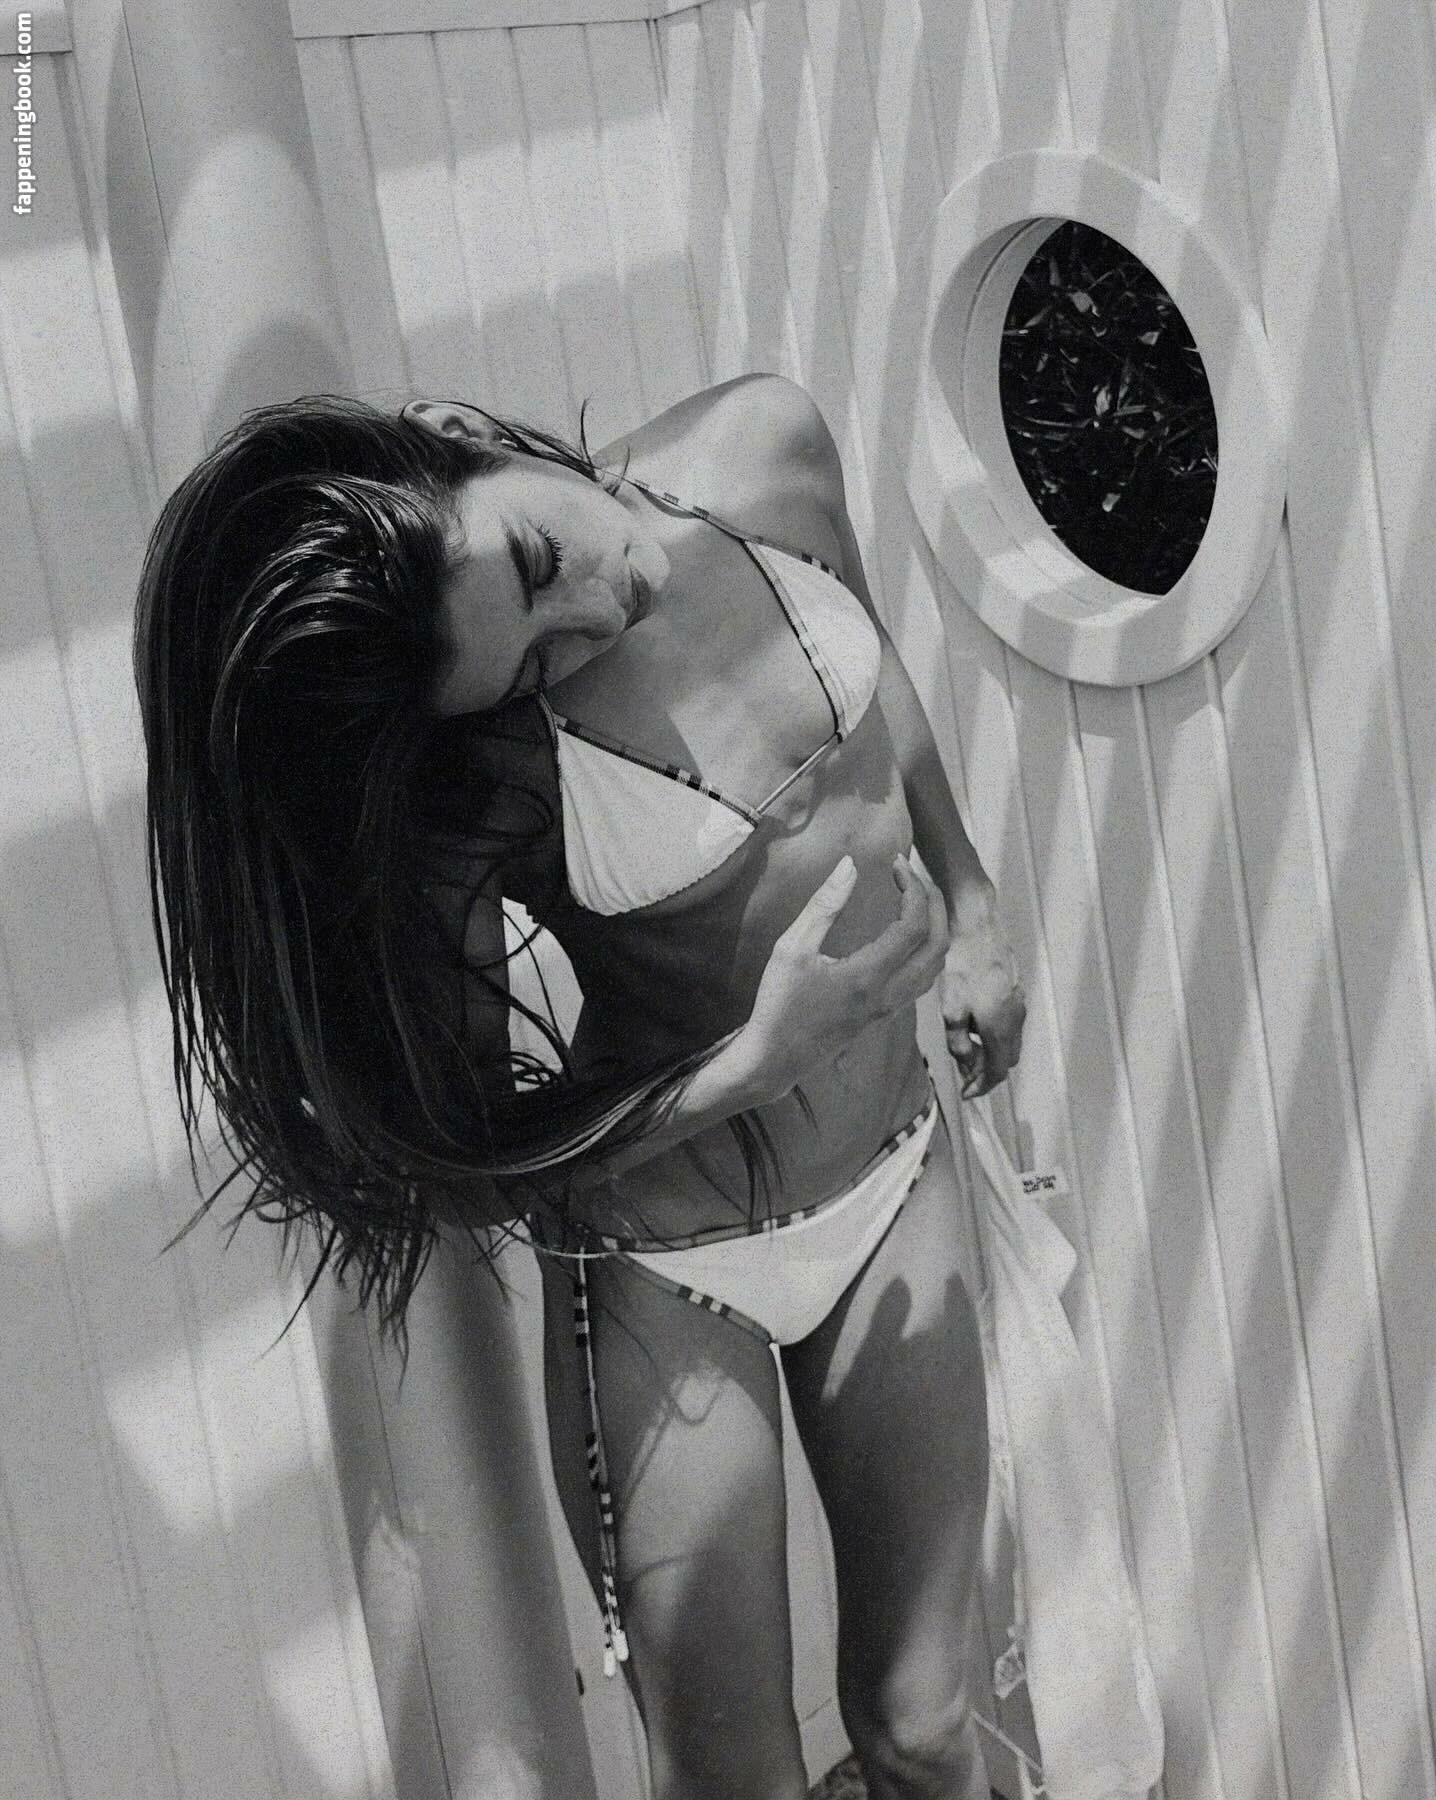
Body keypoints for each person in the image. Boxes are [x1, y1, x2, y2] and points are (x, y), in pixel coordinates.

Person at [134, 372, 1025, 1800]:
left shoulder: (764, 446)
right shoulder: (482, 779)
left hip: (894, 1170)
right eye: (535, 664)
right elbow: (473, 1159)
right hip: (677, 1276)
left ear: (462, 441)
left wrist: (973, 906)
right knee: (734, 1783)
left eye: (539, 561)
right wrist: (754, 1062)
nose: (592, 616)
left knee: (926, 1727)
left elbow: (875, 685)